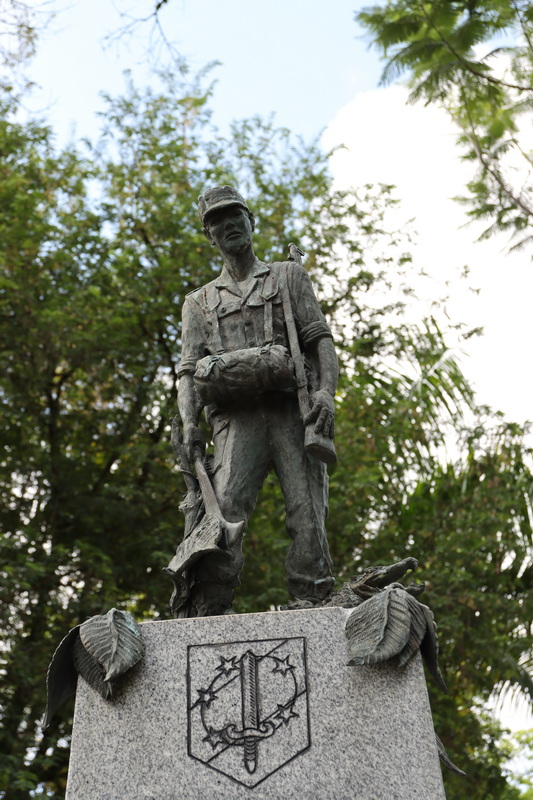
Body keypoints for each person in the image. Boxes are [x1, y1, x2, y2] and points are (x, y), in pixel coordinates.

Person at [177, 185, 338, 616]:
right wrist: (189, 424)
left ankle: (312, 600)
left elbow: (319, 339)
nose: (228, 225)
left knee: (307, 511)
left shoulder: (288, 277)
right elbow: (188, 372)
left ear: (252, 221)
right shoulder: (199, 302)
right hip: (235, 421)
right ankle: (211, 608)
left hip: (291, 411)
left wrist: (326, 392)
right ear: (209, 235)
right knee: (223, 511)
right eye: (216, 221)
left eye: (235, 216)